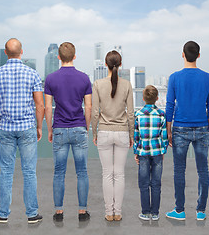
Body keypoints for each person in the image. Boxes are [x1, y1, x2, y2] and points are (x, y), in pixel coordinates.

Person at [0, 38, 45, 224]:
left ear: (5, 53)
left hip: (5, 129)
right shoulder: (32, 74)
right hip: (27, 127)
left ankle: (3, 214)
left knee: (5, 172)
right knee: (29, 172)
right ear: (22, 52)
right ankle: (32, 214)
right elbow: (40, 104)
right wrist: (39, 126)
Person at [165, 41, 209, 221]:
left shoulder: (174, 77)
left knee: (179, 170)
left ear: (182, 54)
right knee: (203, 171)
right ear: (199, 55)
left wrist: (168, 131)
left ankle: (179, 211)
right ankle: (201, 211)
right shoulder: (208, 77)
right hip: (202, 128)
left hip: (180, 128)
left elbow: (169, 106)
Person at [45, 42, 92, 222]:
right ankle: (82, 212)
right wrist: (86, 127)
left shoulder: (50, 78)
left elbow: (48, 107)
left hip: (59, 129)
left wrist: (50, 129)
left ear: (58, 57)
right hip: (79, 127)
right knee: (82, 172)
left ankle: (59, 212)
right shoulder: (84, 78)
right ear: (74, 56)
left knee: (58, 172)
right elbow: (88, 107)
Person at [91, 50, 134, 221]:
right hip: (122, 132)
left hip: (104, 132)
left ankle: (109, 212)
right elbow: (130, 113)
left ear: (105, 64)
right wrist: (131, 134)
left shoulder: (98, 84)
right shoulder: (127, 85)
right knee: (120, 174)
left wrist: (94, 132)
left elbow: (95, 112)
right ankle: (118, 212)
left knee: (107, 174)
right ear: (120, 64)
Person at [134, 85, 168, 221]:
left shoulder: (138, 114)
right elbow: (164, 136)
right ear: (157, 99)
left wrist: (136, 152)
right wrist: (163, 150)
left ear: (143, 99)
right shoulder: (161, 114)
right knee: (156, 183)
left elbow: (136, 136)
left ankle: (145, 212)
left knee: (143, 183)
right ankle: (155, 213)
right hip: (157, 152)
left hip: (143, 152)